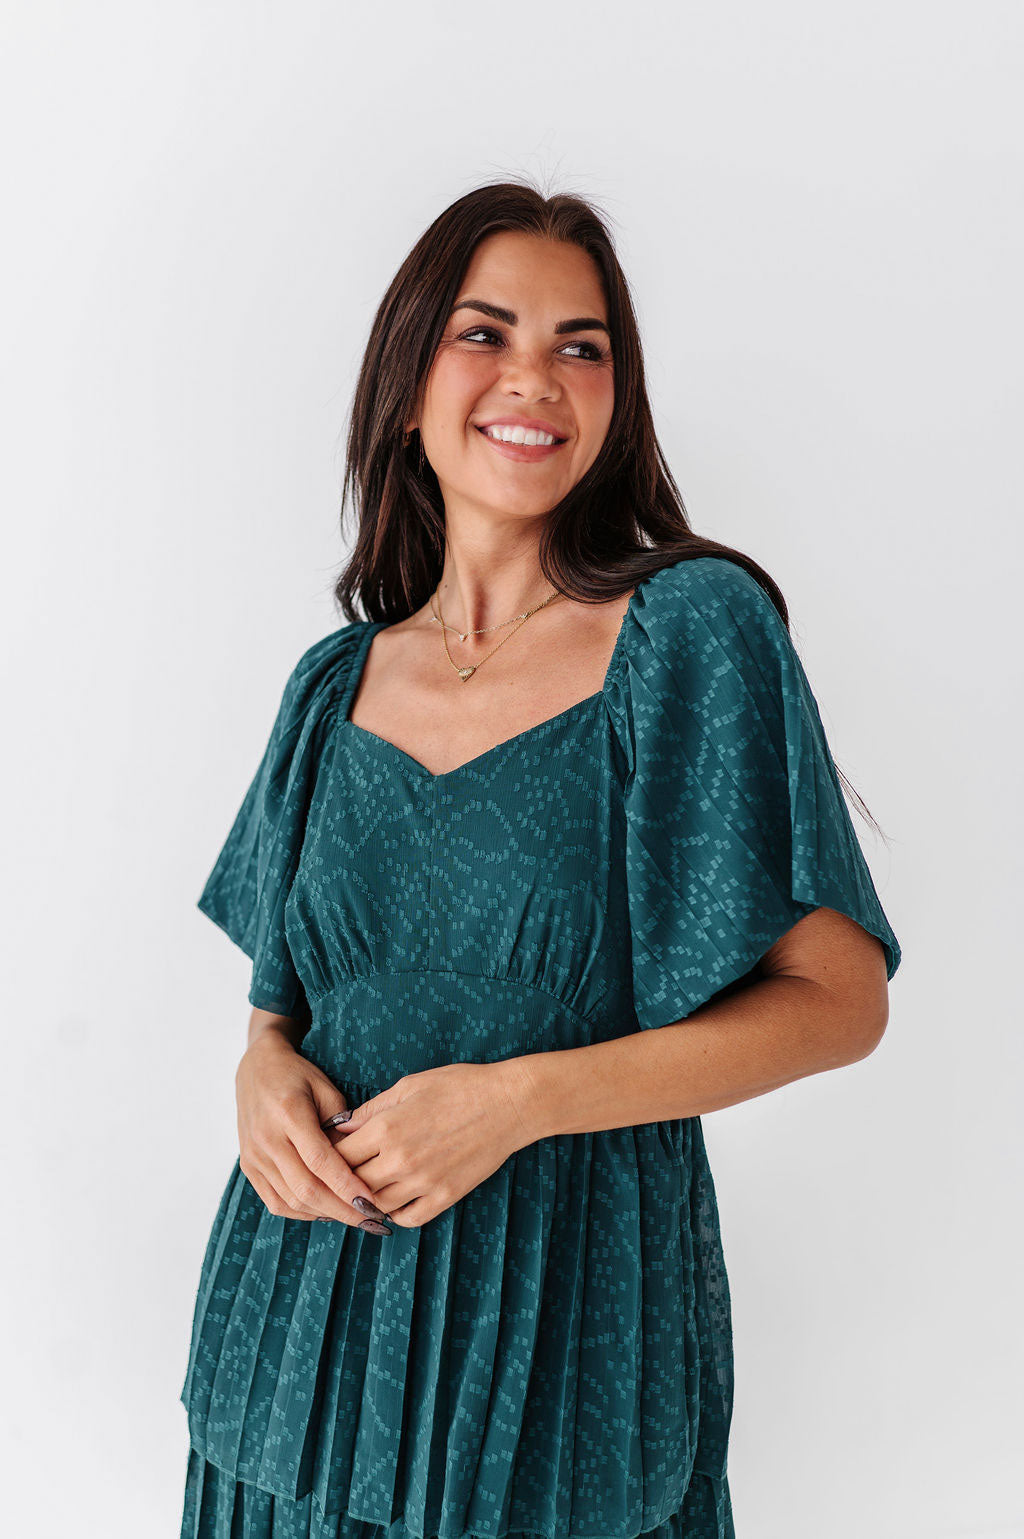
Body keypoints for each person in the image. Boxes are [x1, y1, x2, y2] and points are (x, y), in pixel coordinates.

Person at [179, 181, 902, 1539]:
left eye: (583, 346)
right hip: (292, 1353)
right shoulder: (330, 687)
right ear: (406, 387)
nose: (537, 378)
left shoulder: (688, 634)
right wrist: (258, 1074)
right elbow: (282, 1012)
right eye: (486, 333)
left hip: (564, 1356)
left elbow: (840, 1000)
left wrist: (519, 1103)